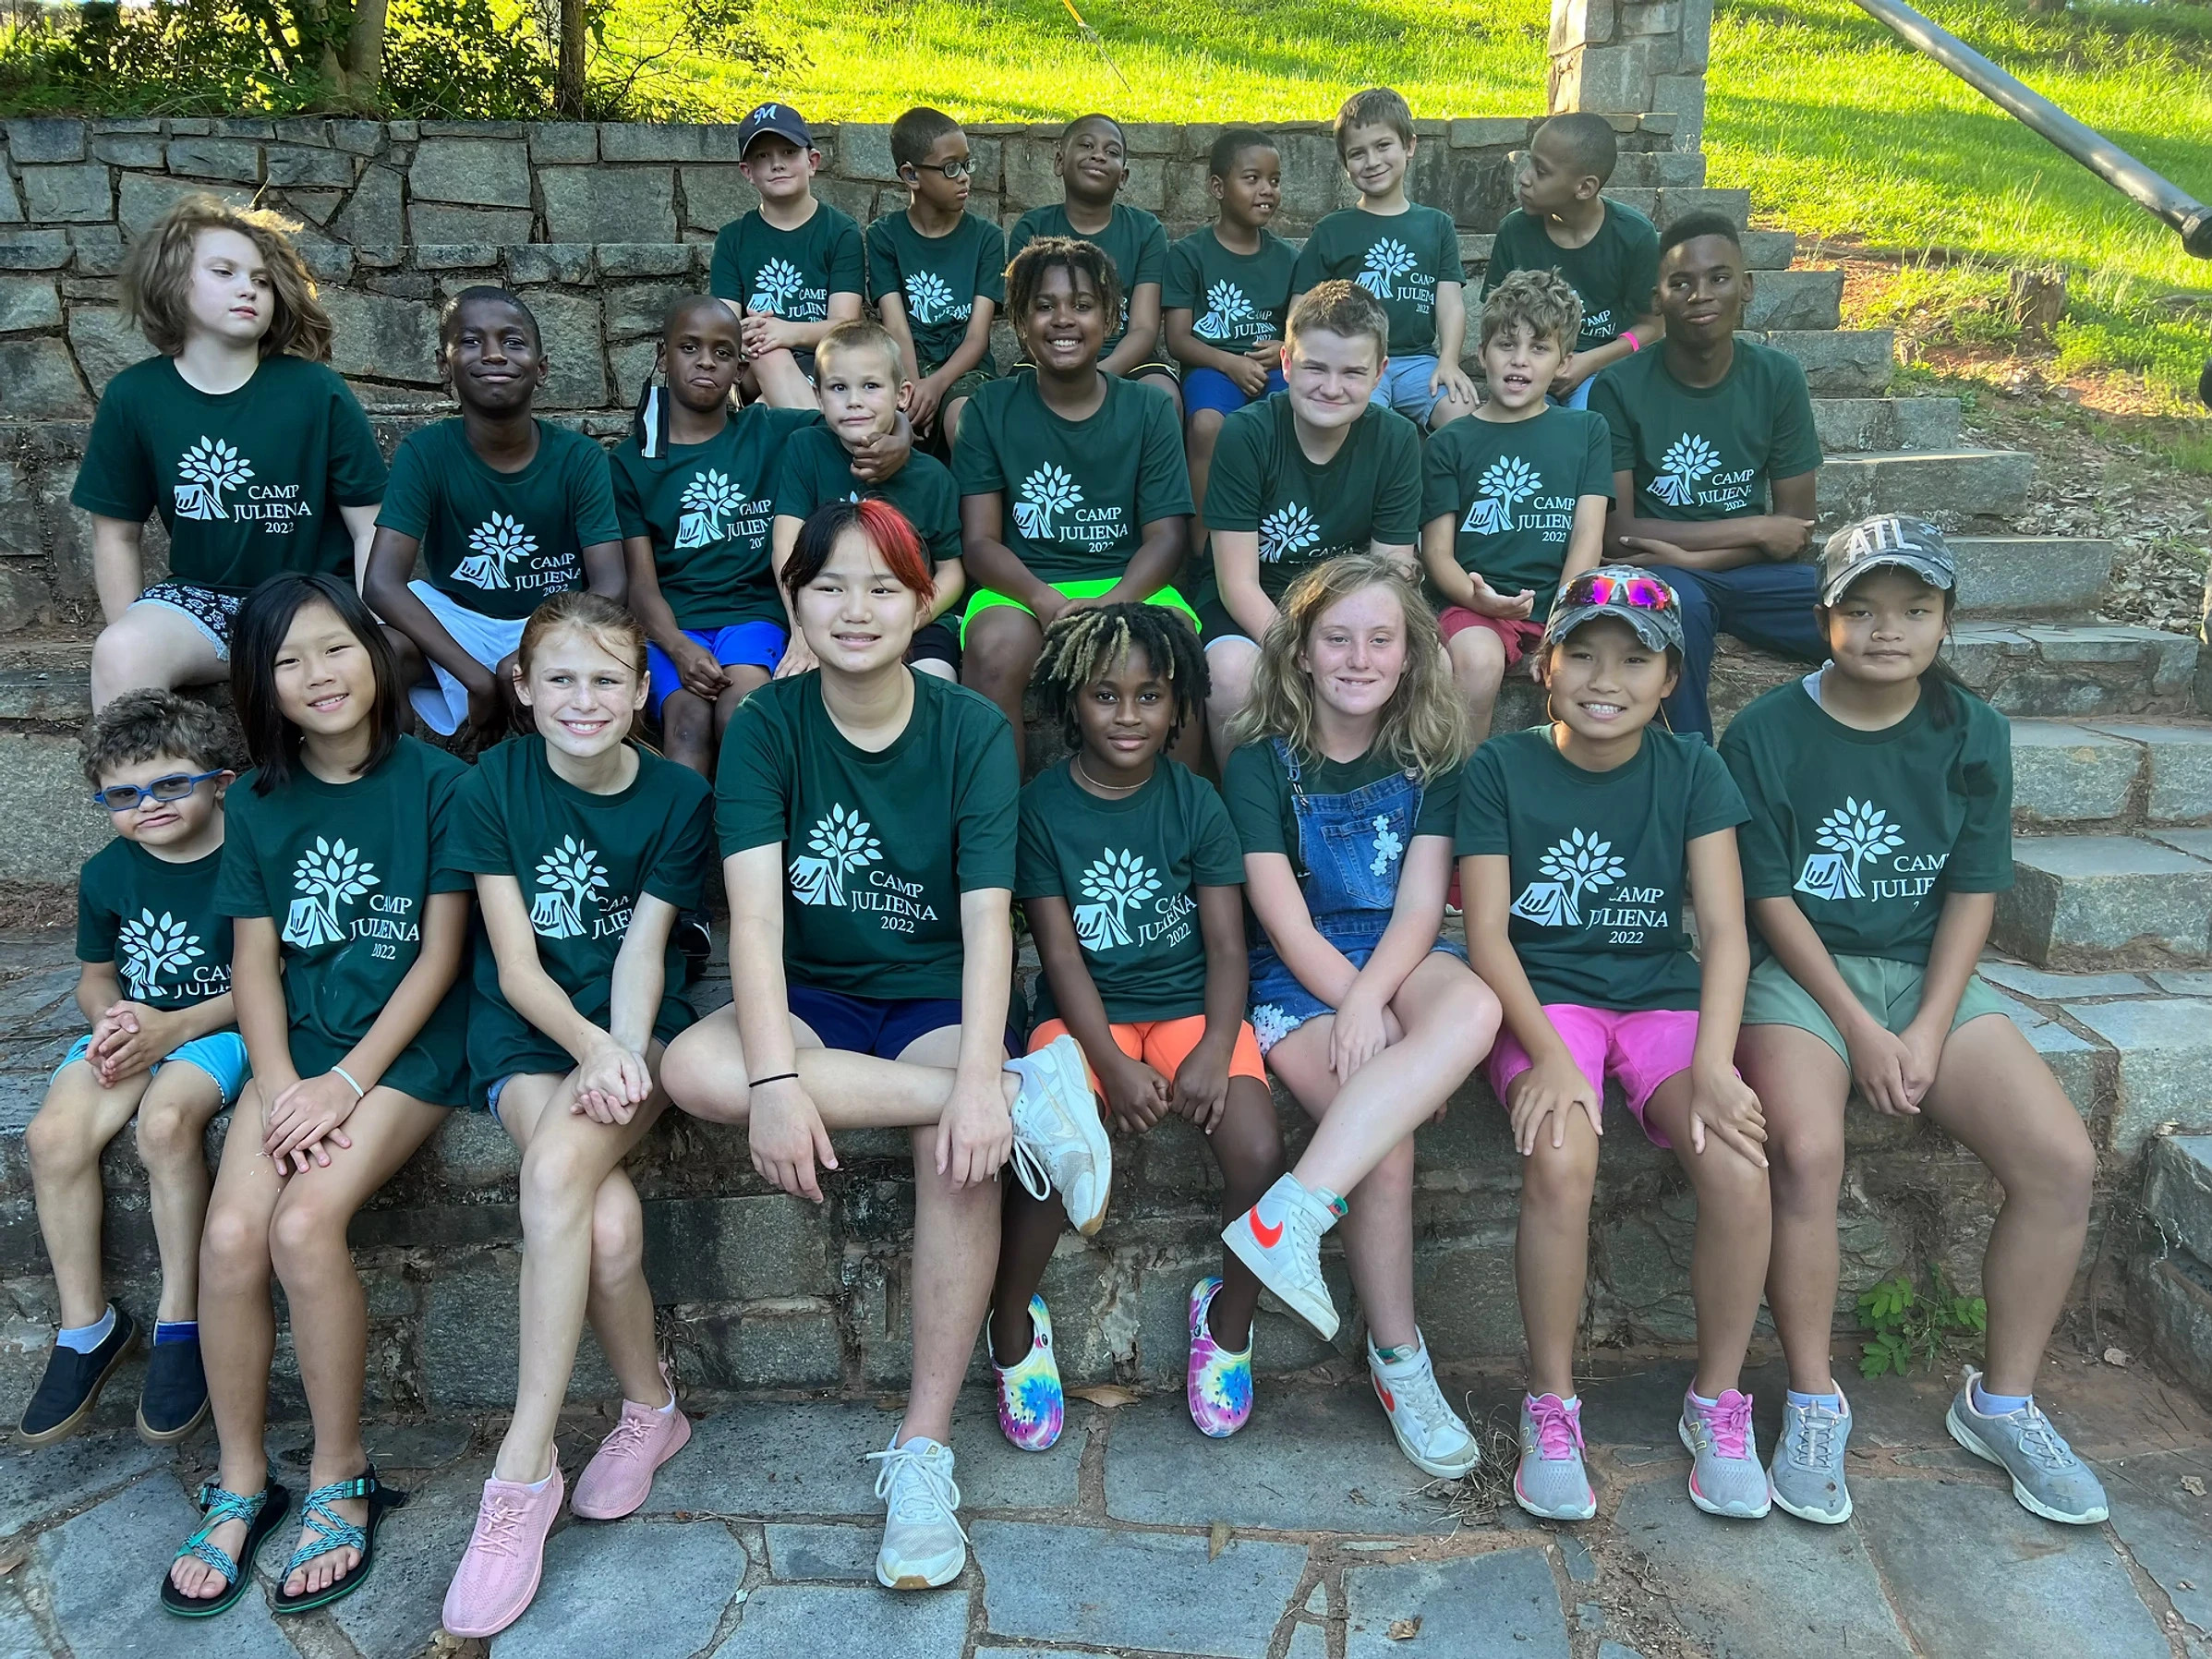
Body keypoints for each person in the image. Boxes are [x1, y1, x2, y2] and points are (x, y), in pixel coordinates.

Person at [660, 498, 1106, 1591]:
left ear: (922, 600)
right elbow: (755, 922)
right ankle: (1013, 1085)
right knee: (693, 1067)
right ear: (793, 599)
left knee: (960, 1153)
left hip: (933, 989)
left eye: (882, 586)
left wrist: (964, 1084)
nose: (854, 608)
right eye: (828, 586)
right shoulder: (768, 723)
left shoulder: (964, 730)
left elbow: (986, 920)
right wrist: (771, 1080)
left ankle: (922, 1451)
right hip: (812, 996)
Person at [1722, 516, 2106, 1529]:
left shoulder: (1972, 729)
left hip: (1925, 972)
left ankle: (2003, 1401)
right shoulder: (1763, 731)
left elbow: (1976, 888)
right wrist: (1857, 1024)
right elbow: (1767, 896)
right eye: (1860, 606)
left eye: (1913, 608)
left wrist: (1930, 1026)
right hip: (1802, 976)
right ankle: (1812, 1397)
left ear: (1945, 621)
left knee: (2061, 1161)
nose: (1886, 628)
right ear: (1823, 618)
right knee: (1803, 1149)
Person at [165, 573, 472, 1618]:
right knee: (230, 1235)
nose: (317, 674)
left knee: (304, 1226)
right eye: (288, 660)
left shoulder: (438, 782)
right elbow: (255, 963)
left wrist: (343, 1084)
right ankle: (245, 1476)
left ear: (372, 651)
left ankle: (342, 1471)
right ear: (261, 684)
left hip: (404, 1049)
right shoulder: (255, 802)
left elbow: (437, 956)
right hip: (298, 1051)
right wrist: (285, 1076)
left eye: (333, 647)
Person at [1458, 567, 1772, 1523]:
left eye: (1634, 658)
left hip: (1660, 998)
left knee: (1739, 1163)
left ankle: (1715, 1401)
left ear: (1669, 676)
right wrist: (1547, 1055)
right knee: (1561, 1157)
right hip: (1545, 999)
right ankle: (1550, 1404)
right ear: (1542, 666)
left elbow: (1723, 931)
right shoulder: (1499, 768)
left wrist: (1715, 1064)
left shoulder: (1691, 769)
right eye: (1582, 653)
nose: (1607, 677)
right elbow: (1485, 935)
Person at [441, 594, 714, 1639]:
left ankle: (523, 1464)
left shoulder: (678, 798)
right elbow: (513, 966)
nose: (583, 698)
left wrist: (621, 1048)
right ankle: (642, 1410)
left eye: (607, 677)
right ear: (521, 686)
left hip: (635, 1027)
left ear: (643, 690)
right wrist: (584, 1048)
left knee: (562, 1181)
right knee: (600, 1221)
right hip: (526, 1035)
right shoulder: (492, 784)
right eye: (559, 676)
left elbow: (644, 951)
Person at [1216, 555, 1500, 1479]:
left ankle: (1289, 1214)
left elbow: (1422, 907)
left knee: (1475, 1005)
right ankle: (1398, 1359)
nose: (1357, 655)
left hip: (1401, 952)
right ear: (1298, 652)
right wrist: (1350, 1005)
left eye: (1380, 637)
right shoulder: (1261, 759)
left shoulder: (1434, 757)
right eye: (1335, 636)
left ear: (1412, 654)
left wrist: (1375, 1001)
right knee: (1386, 1146)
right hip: (1298, 969)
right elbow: (1281, 913)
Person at [989, 605, 1284, 1447]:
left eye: (1150, 695)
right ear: (1069, 702)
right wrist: (1107, 1069)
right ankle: (1012, 1325)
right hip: (1083, 1018)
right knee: (1052, 1150)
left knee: (1260, 1151)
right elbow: (1060, 956)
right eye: (1105, 695)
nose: (1128, 716)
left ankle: (1226, 1323)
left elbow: (1229, 949)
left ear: (1179, 703)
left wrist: (1218, 1047)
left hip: (1192, 1006)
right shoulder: (1041, 809)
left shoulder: (1196, 804)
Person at [18, 691, 245, 1450]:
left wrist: (173, 1028)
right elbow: (94, 975)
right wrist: (110, 1016)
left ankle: (184, 1317)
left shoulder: (250, 853)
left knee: (168, 1122)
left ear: (221, 781)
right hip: (135, 1025)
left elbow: (268, 976)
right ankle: (87, 1328)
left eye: (171, 783)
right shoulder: (105, 873)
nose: (147, 805)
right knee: (52, 1137)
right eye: (123, 794)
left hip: (220, 1027)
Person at [74, 196, 386, 711]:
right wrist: (130, 628)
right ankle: (150, 789)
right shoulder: (134, 396)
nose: (249, 288)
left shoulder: (316, 389)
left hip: (310, 598)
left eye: (261, 280)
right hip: (202, 600)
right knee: (122, 650)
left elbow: (369, 525)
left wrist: (370, 628)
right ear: (173, 281)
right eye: (225, 271)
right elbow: (115, 534)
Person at [952, 237, 1195, 769]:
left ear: (1110, 318)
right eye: (1044, 306)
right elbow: (979, 543)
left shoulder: (1149, 409)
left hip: (1129, 580)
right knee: (995, 652)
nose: (1064, 319)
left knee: (1176, 649)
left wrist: (1119, 601)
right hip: (1021, 585)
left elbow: (1167, 537)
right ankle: (1001, 830)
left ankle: (1173, 831)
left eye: (1082, 306)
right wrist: (1043, 601)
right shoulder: (988, 410)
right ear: (1018, 319)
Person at [1588, 212, 1823, 741]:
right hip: (1661, 578)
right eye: (1681, 283)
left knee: (1857, 600)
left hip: (1741, 572)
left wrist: (1697, 557)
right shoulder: (1619, 387)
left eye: (1718, 278)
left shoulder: (1776, 377)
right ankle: (1695, 775)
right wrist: (1755, 529)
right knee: (1677, 607)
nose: (1700, 295)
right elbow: (1618, 532)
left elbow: (1796, 528)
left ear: (1747, 287)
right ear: (1658, 299)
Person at [365, 287, 626, 745]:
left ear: (541, 369)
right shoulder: (425, 453)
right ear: (443, 366)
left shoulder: (579, 458)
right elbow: (382, 583)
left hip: (554, 619)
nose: (493, 355)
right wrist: (476, 678)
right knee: (377, 654)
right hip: (459, 619)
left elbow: (610, 585)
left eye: (513, 342)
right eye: (470, 341)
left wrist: (530, 652)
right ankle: (401, 778)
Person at [1195, 282, 1421, 761]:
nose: (1332, 387)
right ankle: (1247, 819)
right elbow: (1237, 584)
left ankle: (1379, 807)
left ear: (1380, 373)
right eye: (1315, 367)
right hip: (1256, 602)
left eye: (1353, 372)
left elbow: (1393, 572)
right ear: (1285, 362)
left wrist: (1349, 647)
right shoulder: (1246, 434)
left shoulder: (1397, 439)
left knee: (1431, 660)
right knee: (1233, 671)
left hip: (1350, 609)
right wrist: (1306, 655)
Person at [612, 296, 811, 783]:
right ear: (664, 356)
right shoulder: (631, 462)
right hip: (671, 627)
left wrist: (894, 430)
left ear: (740, 366)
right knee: (686, 722)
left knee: (742, 711)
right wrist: (678, 647)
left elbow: (852, 425)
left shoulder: (769, 432)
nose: (706, 361)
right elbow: (640, 585)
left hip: (750, 616)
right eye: (689, 347)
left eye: (723, 352)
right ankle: (682, 854)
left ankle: (752, 847)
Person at [1421, 271, 1612, 741]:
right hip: (1476, 605)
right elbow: (1437, 554)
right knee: (1478, 661)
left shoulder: (1587, 431)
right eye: (1506, 345)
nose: (1519, 361)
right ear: (1482, 353)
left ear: (1564, 361)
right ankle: (1466, 791)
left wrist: (1564, 621)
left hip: (1563, 600)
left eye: (1539, 349)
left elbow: (1587, 537)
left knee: (1612, 660)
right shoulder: (1450, 441)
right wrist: (1474, 597)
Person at [771, 320, 966, 682]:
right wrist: (801, 629)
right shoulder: (805, 449)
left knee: (934, 683)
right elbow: (785, 545)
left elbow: (951, 571)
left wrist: (910, 620)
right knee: (796, 686)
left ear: (902, 394)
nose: (854, 401)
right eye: (838, 388)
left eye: (871, 386)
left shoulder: (933, 477)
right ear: (818, 396)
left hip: (913, 622)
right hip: (830, 616)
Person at [1289, 88, 1475, 430]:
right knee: (1365, 422)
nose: (1372, 161)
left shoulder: (1436, 225)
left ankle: (1434, 484)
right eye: (1357, 153)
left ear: (1409, 146)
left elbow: (1449, 304)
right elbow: (1301, 305)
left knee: (1461, 411)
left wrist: (1449, 361)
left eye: (1383, 146)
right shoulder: (1332, 230)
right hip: (1352, 360)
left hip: (1417, 361)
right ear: (1345, 164)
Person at [1164, 127, 1296, 557]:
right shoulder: (1189, 255)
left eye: (1274, 181)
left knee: (1297, 419)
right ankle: (1202, 546)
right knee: (1206, 426)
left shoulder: (1288, 259)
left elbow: (1301, 331)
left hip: (1273, 369)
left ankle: (1275, 540)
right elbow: (1178, 339)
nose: (1266, 190)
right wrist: (1228, 363)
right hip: (1211, 369)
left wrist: (1283, 347)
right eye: (1252, 178)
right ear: (1218, 187)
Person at [1483, 113, 1663, 409]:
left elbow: (1652, 327)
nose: (1524, 178)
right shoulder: (1514, 231)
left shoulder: (1634, 235)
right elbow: (1495, 319)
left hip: (1597, 370)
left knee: (1585, 420)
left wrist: (1587, 362)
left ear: (1584, 188)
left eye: (1541, 171)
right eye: (1530, 162)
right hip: (1527, 366)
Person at [1005, 114, 1180, 410]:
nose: (1098, 155)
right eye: (1086, 146)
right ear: (1060, 162)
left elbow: (1144, 329)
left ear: (1123, 176)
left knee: (1164, 397)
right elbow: (1025, 321)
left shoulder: (1146, 231)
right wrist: (1065, 369)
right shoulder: (1032, 228)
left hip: (1126, 362)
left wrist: (1100, 374)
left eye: (1111, 152)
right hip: (1050, 355)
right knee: (1013, 402)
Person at [708, 102, 865, 408]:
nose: (777, 164)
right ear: (747, 172)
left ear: (813, 161)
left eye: (789, 152)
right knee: (764, 346)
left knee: (767, 414)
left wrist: (786, 332)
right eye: (763, 156)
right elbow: (723, 328)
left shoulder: (841, 232)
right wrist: (756, 332)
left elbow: (844, 325)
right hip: (756, 367)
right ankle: (822, 440)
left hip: (828, 363)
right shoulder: (732, 238)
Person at [868, 105, 1006, 449]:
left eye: (966, 164)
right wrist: (914, 390)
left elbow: (977, 338)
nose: (964, 177)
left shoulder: (986, 237)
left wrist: (937, 385)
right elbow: (897, 328)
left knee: (964, 421)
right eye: (950, 168)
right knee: (884, 425)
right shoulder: (884, 236)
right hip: (905, 364)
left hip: (965, 369)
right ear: (911, 175)